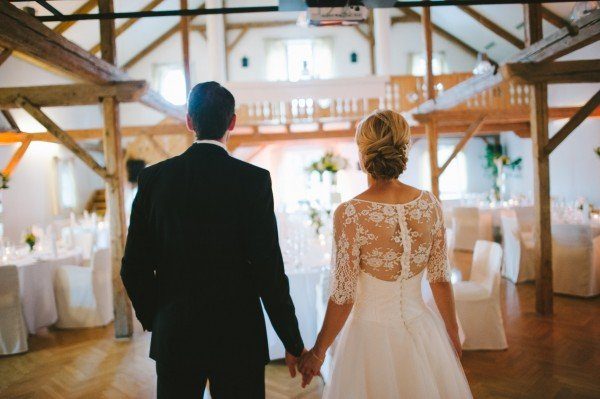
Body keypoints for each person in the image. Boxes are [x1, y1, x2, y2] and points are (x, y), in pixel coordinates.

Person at [121, 81, 306, 399]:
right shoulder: (253, 182)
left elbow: (133, 266)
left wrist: (158, 317)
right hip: (238, 336)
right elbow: (268, 271)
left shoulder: (152, 180)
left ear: (189, 122)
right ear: (232, 122)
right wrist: (293, 342)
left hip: (175, 334)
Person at [298, 110, 472, 398]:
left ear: (364, 153)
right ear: (403, 149)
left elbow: (343, 295)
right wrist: (452, 333)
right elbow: (440, 279)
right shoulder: (429, 204)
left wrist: (317, 352)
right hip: (424, 331)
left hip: (369, 338)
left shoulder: (351, 213)